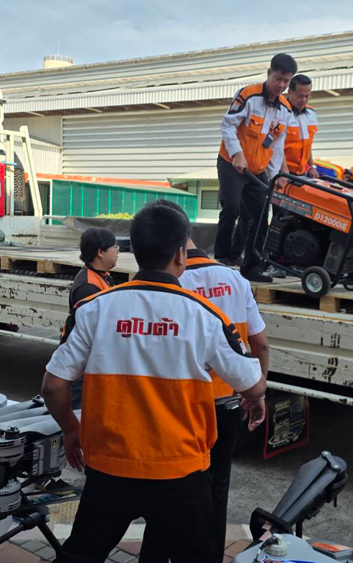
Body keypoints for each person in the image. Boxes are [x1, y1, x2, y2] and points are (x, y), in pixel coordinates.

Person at [42, 204, 266, 563]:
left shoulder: (94, 309)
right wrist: (256, 395)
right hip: (181, 473)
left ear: (134, 249)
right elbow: (252, 385)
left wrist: (71, 429)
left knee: (80, 555)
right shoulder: (206, 317)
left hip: (110, 469)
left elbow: (53, 386)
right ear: (180, 254)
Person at [151, 199, 270, 562]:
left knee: (169, 486)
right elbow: (260, 343)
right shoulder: (234, 279)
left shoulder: (169, 281)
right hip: (228, 404)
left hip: (182, 406)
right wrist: (257, 391)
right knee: (218, 487)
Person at [216, 53, 296, 282]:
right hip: (232, 163)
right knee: (232, 207)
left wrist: (276, 177)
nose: (281, 85)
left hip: (257, 170)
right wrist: (237, 153)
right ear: (269, 73)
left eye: (286, 81)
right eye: (278, 78)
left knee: (261, 215)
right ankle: (221, 259)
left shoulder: (285, 109)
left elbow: (276, 146)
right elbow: (227, 126)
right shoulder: (248, 95)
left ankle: (251, 266)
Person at [68, 227, 118, 409]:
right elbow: (90, 331)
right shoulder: (88, 287)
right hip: (84, 366)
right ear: (100, 252)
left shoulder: (101, 277)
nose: (118, 252)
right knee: (80, 411)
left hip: (91, 362)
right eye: (114, 247)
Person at [281, 74, 319, 178]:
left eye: (307, 96)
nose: (303, 100)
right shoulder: (280, 112)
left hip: (301, 172)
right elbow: (276, 146)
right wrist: (284, 171)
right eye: (300, 96)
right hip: (282, 172)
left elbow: (307, 144)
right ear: (289, 92)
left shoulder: (311, 113)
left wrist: (312, 166)